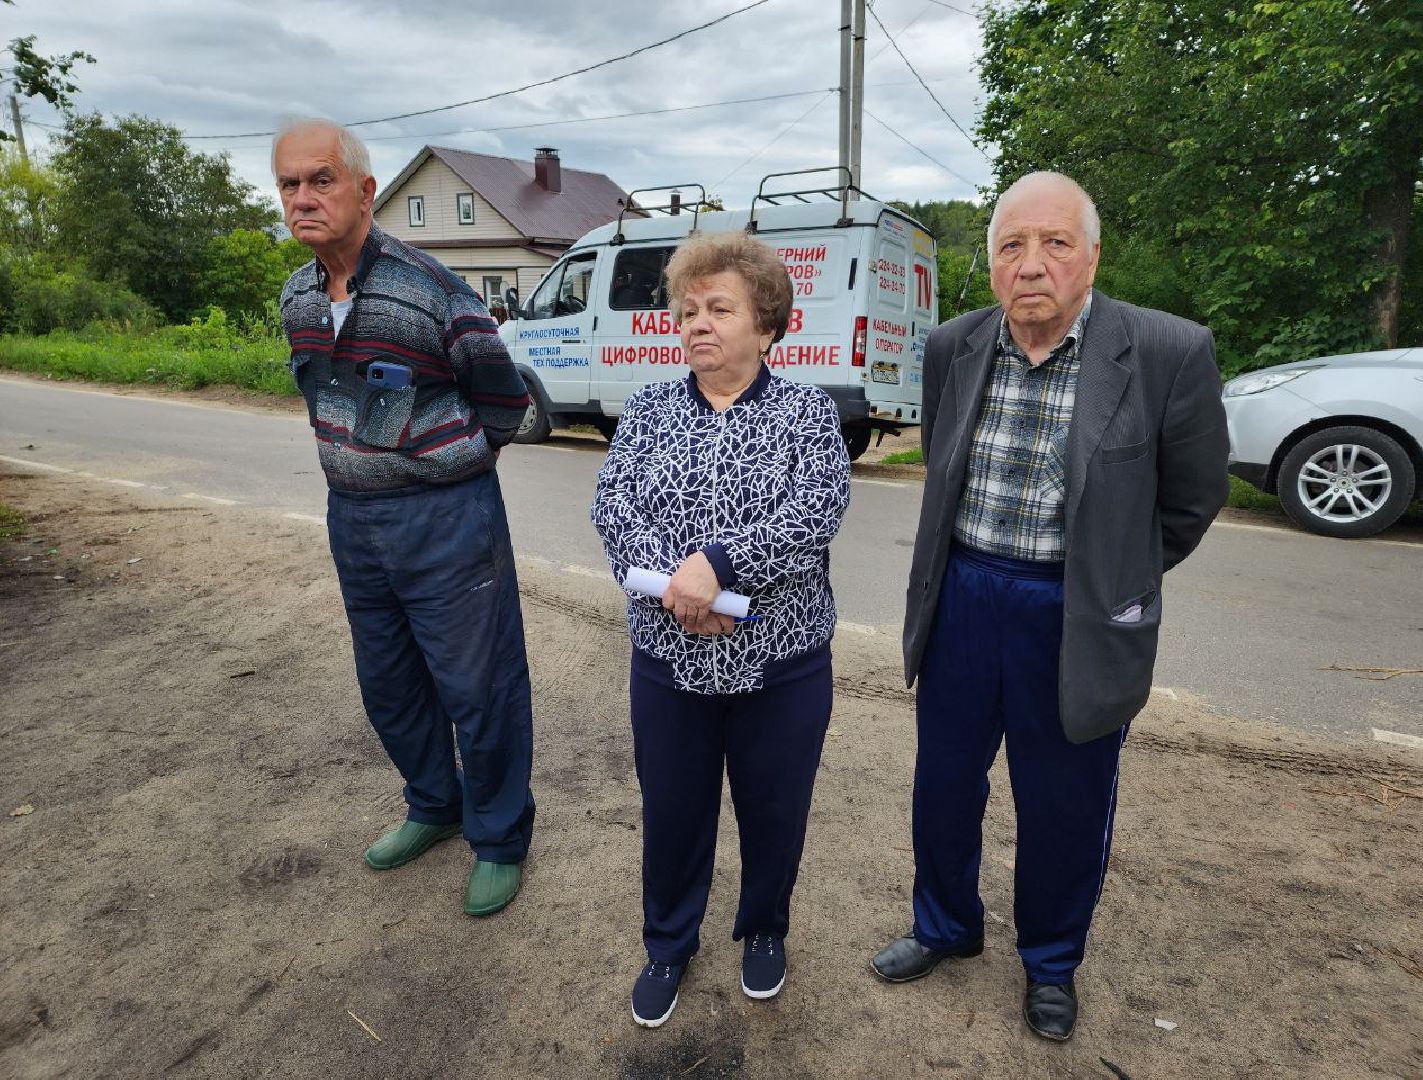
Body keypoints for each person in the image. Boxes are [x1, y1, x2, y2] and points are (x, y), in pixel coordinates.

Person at [870, 172, 1229, 1042]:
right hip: (962, 597)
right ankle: (945, 926)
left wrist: (1112, 577)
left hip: (1072, 616)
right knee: (944, 788)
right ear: (991, 263)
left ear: (1092, 254)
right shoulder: (954, 344)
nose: (1032, 264)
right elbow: (945, 477)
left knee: (1064, 806)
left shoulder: (1167, 352)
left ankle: (1051, 963)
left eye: (1055, 243)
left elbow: (1191, 499)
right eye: (1010, 246)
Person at [274, 118, 535, 917]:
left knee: (478, 685)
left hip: (447, 519)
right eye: (289, 185)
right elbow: (322, 399)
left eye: (320, 180)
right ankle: (434, 804)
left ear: (364, 190)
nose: (303, 198)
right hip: (352, 520)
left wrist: (444, 468)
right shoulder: (297, 297)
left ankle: (499, 837)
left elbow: (505, 402)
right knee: (388, 684)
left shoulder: (433, 291)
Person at [592, 232, 851, 1028]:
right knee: (673, 811)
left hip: (782, 665)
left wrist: (718, 565)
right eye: (688, 309)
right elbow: (612, 507)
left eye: (720, 308)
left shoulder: (809, 413)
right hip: (670, 658)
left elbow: (816, 513)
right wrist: (678, 587)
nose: (697, 323)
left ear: (767, 324)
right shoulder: (647, 410)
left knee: (775, 811)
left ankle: (764, 930)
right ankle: (669, 941)